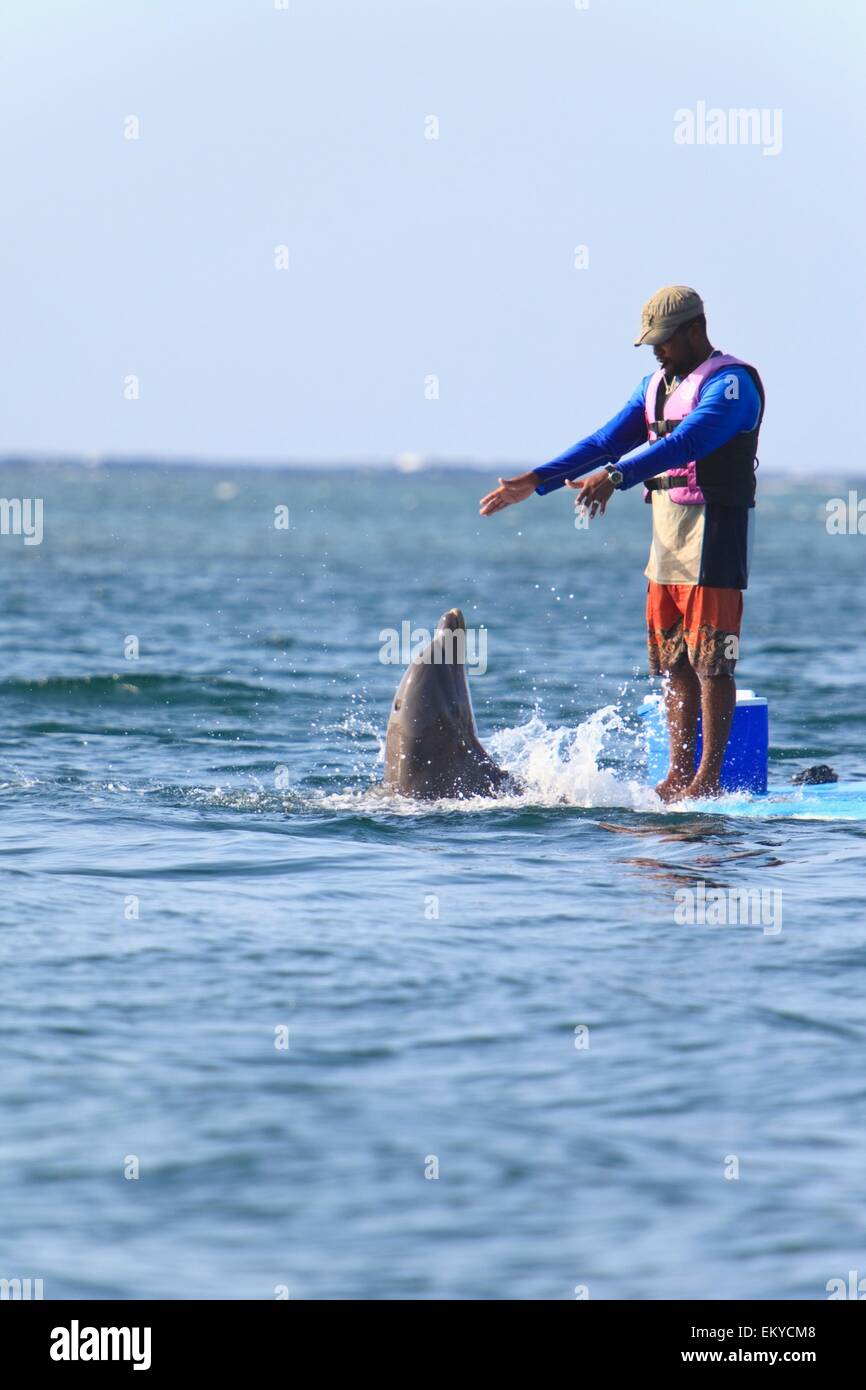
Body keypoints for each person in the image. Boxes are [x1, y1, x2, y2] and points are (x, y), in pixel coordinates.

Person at [479, 285, 765, 802]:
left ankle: (708, 779)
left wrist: (614, 477)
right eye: (651, 341)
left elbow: (688, 442)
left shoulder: (732, 386)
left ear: (695, 330)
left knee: (712, 663)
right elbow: (605, 441)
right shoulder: (655, 384)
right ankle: (679, 775)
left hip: (715, 540)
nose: (657, 349)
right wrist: (535, 479)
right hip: (667, 545)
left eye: (665, 340)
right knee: (675, 663)